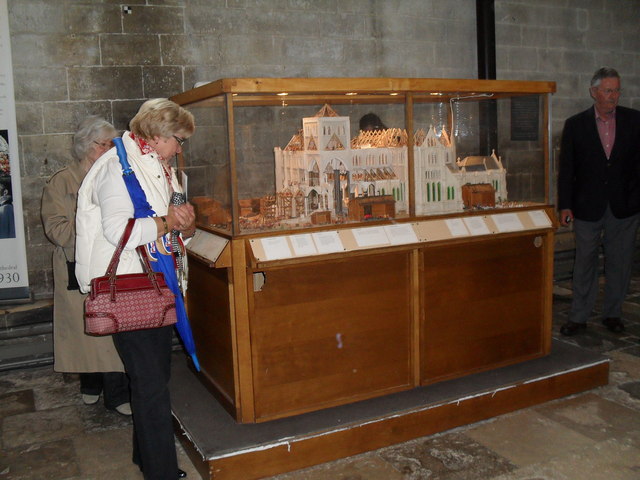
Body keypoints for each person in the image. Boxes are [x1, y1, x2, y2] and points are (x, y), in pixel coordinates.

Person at [75, 99, 196, 480]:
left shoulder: (156, 165)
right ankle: (160, 472)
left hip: (153, 282)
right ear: (158, 136)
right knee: (151, 386)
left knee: (152, 379)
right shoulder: (117, 166)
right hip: (131, 286)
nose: (181, 148)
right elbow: (120, 231)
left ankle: (145, 456)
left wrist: (185, 229)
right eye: (178, 139)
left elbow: (169, 231)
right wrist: (167, 222)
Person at [41, 116, 131, 414]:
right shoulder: (61, 181)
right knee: (86, 330)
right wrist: (89, 224)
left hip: (109, 264)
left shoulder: (114, 177)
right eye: (102, 144)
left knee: (109, 329)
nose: (108, 150)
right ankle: (90, 384)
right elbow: (55, 230)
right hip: (75, 264)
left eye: (111, 144)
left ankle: (115, 394)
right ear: (84, 147)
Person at [558, 67, 640, 336]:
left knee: (620, 261)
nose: (613, 96)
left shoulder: (634, 121)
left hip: (624, 206)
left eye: (616, 90)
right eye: (607, 90)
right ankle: (579, 316)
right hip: (586, 206)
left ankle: (613, 314)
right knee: (585, 262)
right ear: (593, 92)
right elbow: (567, 169)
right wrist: (565, 205)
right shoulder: (576, 124)